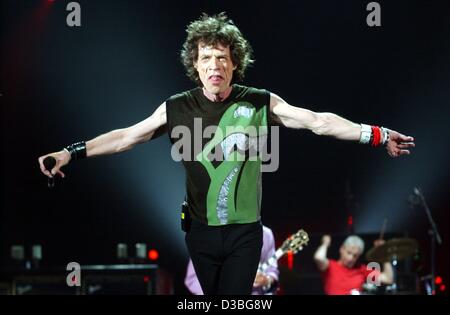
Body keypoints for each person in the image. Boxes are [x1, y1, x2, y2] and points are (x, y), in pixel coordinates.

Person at [38, 13, 414, 294]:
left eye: (222, 57)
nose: (214, 65)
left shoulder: (259, 102)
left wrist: (376, 135)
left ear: (235, 63)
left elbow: (318, 120)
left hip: (244, 233)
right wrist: (71, 153)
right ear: (195, 66)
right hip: (199, 233)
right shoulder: (176, 107)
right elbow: (125, 138)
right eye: (206, 58)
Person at [185, 225, 279, 295]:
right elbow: (192, 279)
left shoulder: (266, 234)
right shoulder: (208, 236)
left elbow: (272, 270)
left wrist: (266, 280)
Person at [314, 235, 394, 295]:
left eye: (355, 255)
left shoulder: (362, 270)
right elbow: (318, 257)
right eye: (348, 253)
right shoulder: (330, 266)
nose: (350, 258)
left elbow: (388, 278)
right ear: (341, 249)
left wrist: (384, 252)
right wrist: (325, 243)